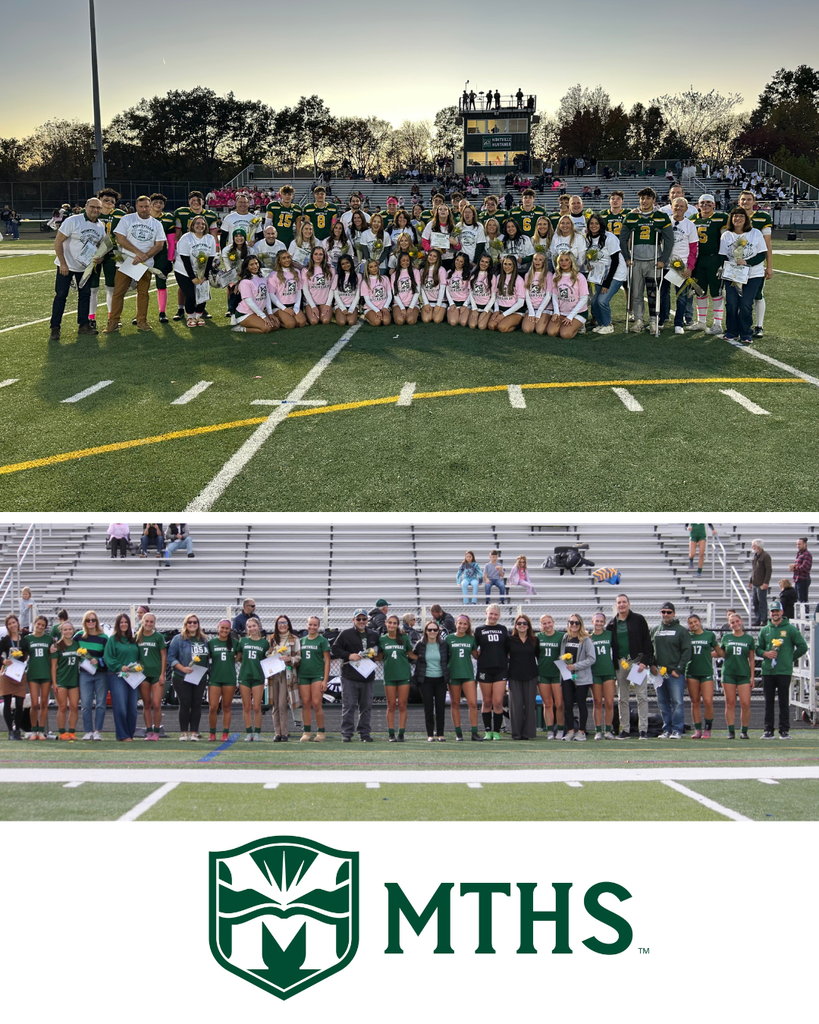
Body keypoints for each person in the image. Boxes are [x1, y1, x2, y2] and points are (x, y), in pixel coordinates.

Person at [106, 195, 166, 334]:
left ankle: (142, 321)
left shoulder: (156, 224)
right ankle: (113, 322)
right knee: (118, 292)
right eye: (141, 207)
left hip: (146, 263)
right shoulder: (127, 219)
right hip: (126, 261)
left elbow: (159, 245)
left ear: (150, 207)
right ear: (136, 207)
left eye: (146, 206)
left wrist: (144, 256)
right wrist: (138, 253)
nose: (144, 209)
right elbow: (120, 238)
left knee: (143, 293)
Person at [49, 197, 106, 341]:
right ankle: (55, 328)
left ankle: (83, 325)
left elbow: (100, 245)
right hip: (66, 266)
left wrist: (100, 257)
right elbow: (58, 241)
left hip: (85, 267)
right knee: (61, 296)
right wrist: (62, 263)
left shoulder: (100, 225)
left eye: (98, 208)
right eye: (93, 207)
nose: (95, 210)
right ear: (86, 207)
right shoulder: (73, 221)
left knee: (85, 295)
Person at [619, 187, 673, 334]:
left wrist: (663, 259)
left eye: (648, 198)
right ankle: (638, 320)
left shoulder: (661, 217)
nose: (644, 201)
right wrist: (627, 257)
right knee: (636, 293)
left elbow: (669, 240)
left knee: (653, 293)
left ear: (653, 200)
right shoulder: (631, 217)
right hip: (636, 260)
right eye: (642, 198)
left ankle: (653, 321)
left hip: (653, 261)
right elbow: (622, 239)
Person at [718, 206, 768, 346]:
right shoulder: (726, 235)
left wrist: (747, 262)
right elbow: (722, 256)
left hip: (753, 275)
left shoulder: (755, 233)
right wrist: (725, 269)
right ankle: (731, 331)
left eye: (741, 216)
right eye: (735, 216)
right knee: (732, 303)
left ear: (746, 219)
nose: (737, 219)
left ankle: (746, 332)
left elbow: (762, 254)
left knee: (746, 304)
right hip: (732, 275)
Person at [758, 600, 808, 739]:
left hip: (783, 671)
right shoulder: (765, 630)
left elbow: (803, 646)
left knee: (783, 701)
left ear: (782, 612)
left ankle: (784, 730)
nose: (775, 613)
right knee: (768, 702)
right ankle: (768, 730)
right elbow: (758, 648)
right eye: (772, 611)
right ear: (770, 613)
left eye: (777, 611)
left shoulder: (790, 629)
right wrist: (765, 654)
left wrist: (789, 658)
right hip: (768, 670)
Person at [607, 594, 653, 739]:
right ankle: (625, 729)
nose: (621, 605)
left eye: (624, 602)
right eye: (619, 602)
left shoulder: (638, 619)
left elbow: (647, 641)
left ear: (629, 604)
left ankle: (643, 730)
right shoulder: (612, 623)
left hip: (637, 662)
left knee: (641, 697)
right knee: (622, 698)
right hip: (621, 663)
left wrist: (644, 661)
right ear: (616, 605)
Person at [334, 610, 382, 742]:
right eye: (358, 619)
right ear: (353, 620)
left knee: (366, 706)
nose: (361, 621)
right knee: (349, 706)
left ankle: (364, 733)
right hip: (349, 676)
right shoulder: (345, 633)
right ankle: (347, 733)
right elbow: (335, 649)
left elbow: (379, 651)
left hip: (367, 676)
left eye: (364, 619)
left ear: (367, 620)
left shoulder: (373, 634)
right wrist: (349, 656)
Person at [650, 603, 691, 739]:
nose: (666, 615)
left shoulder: (681, 630)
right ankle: (666, 729)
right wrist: (652, 665)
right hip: (659, 673)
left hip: (674, 673)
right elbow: (649, 649)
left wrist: (679, 669)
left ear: (674, 613)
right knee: (662, 703)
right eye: (663, 612)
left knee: (677, 702)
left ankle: (677, 730)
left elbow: (687, 652)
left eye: (668, 612)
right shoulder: (655, 629)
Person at [690, 194, 730, 335]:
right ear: (698, 205)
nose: (705, 206)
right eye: (702, 203)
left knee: (716, 291)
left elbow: (726, 241)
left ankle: (717, 323)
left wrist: (724, 261)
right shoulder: (692, 219)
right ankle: (701, 322)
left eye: (708, 203)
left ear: (714, 205)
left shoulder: (721, 218)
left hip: (714, 258)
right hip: (698, 259)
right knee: (699, 291)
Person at [737, 189, 773, 339]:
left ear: (754, 202)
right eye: (743, 199)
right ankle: (740, 325)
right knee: (738, 295)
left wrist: (769, 266)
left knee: (757, 295)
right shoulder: (734, 216)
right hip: (738, 264)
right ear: (739, 202)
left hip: (755, 265)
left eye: (748, 199)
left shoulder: (762, 217)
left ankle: (759, 325)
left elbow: (767, 244)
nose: (745, 202)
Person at [168, 614, 210, 741]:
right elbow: (171, 657)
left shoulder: (204, 640)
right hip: (182, 677)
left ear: (198, 624)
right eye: (189, 622)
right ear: (185, 624)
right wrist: (182, 668)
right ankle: (184, 732)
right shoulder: (178, 639)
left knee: (196, 704)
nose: (192, 624)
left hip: (200, 677)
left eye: (195, 622)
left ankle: (194, 732)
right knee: (185, 703)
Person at [716, 613, 756, 739]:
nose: (735, 624)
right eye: (732, 622)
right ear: (729, 624)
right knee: (730, 703)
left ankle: (744, 731)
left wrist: (752, 676)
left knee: (745, 703)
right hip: (729, 674)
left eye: (737, 621)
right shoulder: (726, 638)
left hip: (744, 674)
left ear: (741, 621)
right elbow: (721, 653)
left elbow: (752, 659)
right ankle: (731, 731)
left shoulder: (748, 639)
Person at [174, 213, 217, 327]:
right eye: (197, 223)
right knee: (191, 295)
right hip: (183, 270)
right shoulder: (186, 238)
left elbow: (210, 259)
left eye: (203, 224)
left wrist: (205, 277)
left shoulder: (210, 238)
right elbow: (185, 260)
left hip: (202, 271)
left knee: (202, 294)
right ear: (192, 225)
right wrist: (192, 277)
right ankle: (190, 316)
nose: (200, 225)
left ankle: (198, 315)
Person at [585, 214, 625, 334]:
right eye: (591, 223)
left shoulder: (609, 237)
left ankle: (608, 325)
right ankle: (602, 324)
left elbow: (615, 261)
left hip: (615, 273)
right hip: (599, 274)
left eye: (596, 223)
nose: (594, 226)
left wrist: (607, 283)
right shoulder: (588, 238)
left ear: (601, 225)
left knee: (602, 301)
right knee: (594, 302)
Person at [445, 614, 483, 741]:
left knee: (472, 703)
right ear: (456, 623)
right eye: (460, 623)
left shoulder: (471, 639)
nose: (462, 626)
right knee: (455, 704)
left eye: (465, 624)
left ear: (468, 626)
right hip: (453, 675)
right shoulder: (449, 638)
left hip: (467, 674)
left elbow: (475, 656)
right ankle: (458, 733)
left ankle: (474, 732)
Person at [474, 604, 509, 741]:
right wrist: (477, 654)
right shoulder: (479, 630)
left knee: (498, 702)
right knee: (487, 701)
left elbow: (507, 648)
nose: (493, 616)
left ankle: (497, 731)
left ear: (499, 616)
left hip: (500, 669)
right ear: (486, 613)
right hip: (485, 669)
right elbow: (474, 649)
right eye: (491, 614)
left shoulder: (503, 629)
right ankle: (488, 731)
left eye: (496, 614)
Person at [103, 613, 140, 742]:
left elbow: (138, 656)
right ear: (117, 625)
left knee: (132, 709)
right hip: (117, 676)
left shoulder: (133, 639)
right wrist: (120, 667)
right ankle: (122, 735)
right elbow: (108, 657)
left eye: (126, 622)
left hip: (133, 677)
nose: (124, 624)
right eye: (121, 622)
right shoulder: (112, 639)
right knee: (121, 707)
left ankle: (130, 734)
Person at [559, 614, 596, 741]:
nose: (574, 625)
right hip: (567, 676)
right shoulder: (565, 638)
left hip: (582, 677)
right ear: (568, 624)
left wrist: (575, 666)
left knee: (581, 704)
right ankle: (570, 731)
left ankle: (581, 731)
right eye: (571, 622)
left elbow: (592, 658)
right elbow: (562, 655)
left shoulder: (586, 639)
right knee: (568, 704)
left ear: (581, 624)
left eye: (577, 623)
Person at [264, 615, 300, 743]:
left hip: (287, 674)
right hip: (273, 674)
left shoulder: (295, 639)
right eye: (280, 623)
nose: (283, 625)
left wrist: (290, 659)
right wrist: (271, 656)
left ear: (289, 624)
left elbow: (299, 659)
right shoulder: (271, 640)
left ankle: (284, 733)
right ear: (276, 625)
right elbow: (266, 655)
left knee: (282, 704)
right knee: (274, 704)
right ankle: (277, 732)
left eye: (285, 622)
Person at [380, 615, 415, 742]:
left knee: (402, 704)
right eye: (390, 623)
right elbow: (378, 657)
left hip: (403, 675)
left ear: (397, 624)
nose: (392, 625)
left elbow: (411, 654)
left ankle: (401, 733)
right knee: (391, 705)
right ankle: (391, 733)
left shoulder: (404, 638)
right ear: (386, 623)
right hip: (389, 675)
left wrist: (424, 655)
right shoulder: (382, 639)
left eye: (395, 623)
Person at [75, 610, 109, 741]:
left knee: (100, 703)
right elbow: (68, 647)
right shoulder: (78, 636)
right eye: (88, 620)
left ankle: (97, 731)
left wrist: (99, 661)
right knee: (86, 704)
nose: (91, 622)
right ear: (84, 622)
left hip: (101, 674)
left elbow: (108, 655)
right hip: (85, 674)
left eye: (93, 620)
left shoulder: (104, 637)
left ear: (97, 622)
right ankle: (88, 730)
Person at [413, 620, 449, 741]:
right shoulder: (420, 644)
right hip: (425, 680)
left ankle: (440, 734)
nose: (432, 632)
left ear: (438, 631)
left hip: (441, 680)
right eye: (430, 630)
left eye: (435, 629)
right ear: (426, 631)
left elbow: (447, 659)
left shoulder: (443, 644)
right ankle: (430, 734)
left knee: (440, 708)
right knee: (428, 708)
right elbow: (413, 657)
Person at [297, 616, 331, 742]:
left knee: (316, 704)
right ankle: (307, 732)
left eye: (315, 625)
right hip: (304, 675)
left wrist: (325, 680)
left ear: (318, 626)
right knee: (305, 703)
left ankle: (321, 732)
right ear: (307, 625)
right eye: (310, 624)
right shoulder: (301, 641)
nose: (312, 627)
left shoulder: (322, 641)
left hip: (317, 675)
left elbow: (327, 661)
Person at [507, 613, 540, 740]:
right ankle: (516, 734)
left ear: (528, 625)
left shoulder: (534, 640)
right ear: (515, 625)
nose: (521, 625)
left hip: (531, 675)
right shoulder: (510, 640)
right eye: (519, 623)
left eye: (524, 623)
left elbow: (538, 656)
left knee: (530, 705)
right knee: (516, 706)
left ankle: (529, 733)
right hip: (514, 675)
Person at [686, 614, 719, 739]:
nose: (694, 624)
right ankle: (697, 729)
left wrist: (724, 654)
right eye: (691, 623)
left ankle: (708, 728)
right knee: (695, 702)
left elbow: (718, 651)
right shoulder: (687, 637)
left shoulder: (709, 635)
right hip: (692, 672)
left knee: (708, 701)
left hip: (706, 672)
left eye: (695, 621)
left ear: (699, 621)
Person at [135, 612, 166, 741]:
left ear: (154, 623)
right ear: (142, 622)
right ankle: (148, 731)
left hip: (156, 674)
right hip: (143, 675)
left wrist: (162, 674)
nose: (148, 624)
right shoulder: (137, 636)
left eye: (151, 622)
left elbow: (163, 656)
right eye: (146, 621)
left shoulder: (158, 637)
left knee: (156, 703)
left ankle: (157, 731)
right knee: (146, 703)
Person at [50, 619, 82, 741]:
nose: (68, 631)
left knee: (74, 706)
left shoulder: (76, 644)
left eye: (70, 629)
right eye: (65, 629)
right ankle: (62, 732)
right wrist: (54, 683)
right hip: (61, 680)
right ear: (61, 631)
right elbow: (53, 666)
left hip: (74, 680)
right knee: (62, 707)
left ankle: (72, 732)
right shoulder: (57, 646)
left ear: (73, 630)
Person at [21, 616, 52, 739]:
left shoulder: (49, 639)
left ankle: (41, 731)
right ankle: (33, 730)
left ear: (45, 627)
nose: (40, 627)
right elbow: (24, 657)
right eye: (38, 624)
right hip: (33, 673)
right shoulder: (28, 638)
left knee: (44, 703)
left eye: (42, 625)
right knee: (34, 704)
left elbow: (51, 656)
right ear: (34, 624)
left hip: (45, 674)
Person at [547, 252, 588, 338]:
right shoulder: (556, 275)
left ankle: (579, 325)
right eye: (561, 260)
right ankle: (565, 326)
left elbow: (584, 298)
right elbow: (555, 295)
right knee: (551, 332)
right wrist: (556, 312)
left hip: (578, 313)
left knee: (565, 334)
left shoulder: (579, 277)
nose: (564, 262)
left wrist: (570, 316)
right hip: (562, 312)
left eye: (566, 260)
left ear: (571, 262)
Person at [207, 620, 236, 742]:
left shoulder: (234, 643)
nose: (224, 630)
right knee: (213, 707)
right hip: (215, 678)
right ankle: (212, 733)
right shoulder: (211, 643)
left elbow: (239, 656)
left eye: (227, 628)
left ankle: (225, 733)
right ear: (218, 628)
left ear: (230, 630)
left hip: (229, 678)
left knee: (226, 706)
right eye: (222, 628)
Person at [537, 614, 565, 739]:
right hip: (543, 673)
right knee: (547, 703)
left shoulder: (561, 636)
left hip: (557, 673)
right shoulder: (538, 637)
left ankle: (560, 728)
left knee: (559, 704)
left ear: (553, 622)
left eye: (549, 622)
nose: (547, 625)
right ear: (541, 625)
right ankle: (549, 730)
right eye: (544, 623)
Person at [589, 612, 617, 739]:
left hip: (608, 672)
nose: (599, 623)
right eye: (597, 621)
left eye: (601, 621)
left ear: (604, 623)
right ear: (592, 622)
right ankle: (598, 730)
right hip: (595, 673)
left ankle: (609, 730)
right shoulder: (588, 637)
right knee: (597, 702)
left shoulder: (609, 634)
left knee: (610, 702)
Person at [1, 615, 27, 739]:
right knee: (7, 702)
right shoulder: (5, 640)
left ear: (17, 623)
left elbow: (28, 653)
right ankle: (10, 730)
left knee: (20, 703)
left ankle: (17, 730)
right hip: (8, 673)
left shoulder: (24, 639)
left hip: (20, 673)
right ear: (7, 626)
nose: (12, 625)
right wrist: (3, 661)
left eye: (14, 622)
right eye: (9, 624)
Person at [267, 251, 306, 328]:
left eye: (288, 257)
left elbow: (299, 290)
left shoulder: (296, 272)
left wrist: (297, 306)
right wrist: (284, 309)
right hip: (280, 306)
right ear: (279, 260)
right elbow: (271, 294)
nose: (287, 260)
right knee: (291, 324)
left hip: (293, 305)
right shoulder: (274, 274)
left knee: (302, 322)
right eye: (284, 258)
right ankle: (278, 322)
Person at [302, 246, 334, 326]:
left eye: (321, 254)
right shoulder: (306, 270)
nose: (318, 257)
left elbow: (332, 288)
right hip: (310, 302)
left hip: (325, 301)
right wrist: (313, 306)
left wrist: (328, 304)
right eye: (316, 254)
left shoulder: (330, 268)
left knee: (325, 321)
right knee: (314, 322)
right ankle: (308, 312)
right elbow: (305, 289)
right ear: (312, 256)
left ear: (324, 256)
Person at [265, 184, 302, 248]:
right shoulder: (273, 206)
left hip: (289, 238)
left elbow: (298, 228)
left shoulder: (297, 209)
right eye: (285, 194)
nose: (287, 196)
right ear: (281, 195)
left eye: (289, 194)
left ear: (292, 196)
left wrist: (298, 240)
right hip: (275, 237)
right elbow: (268, 223)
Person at [391, 251, 421, 326]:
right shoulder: (394, 274)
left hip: (413, 303)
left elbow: (417, 291)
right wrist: (402, 308)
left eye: (407, 260)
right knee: (400, 321)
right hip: (398, 304)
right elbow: (395, 293)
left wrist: (411, 307)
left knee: (410, 321)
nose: (405, 262)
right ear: (399, 261)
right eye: (403, 260)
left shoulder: (416, 272)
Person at [468, 252, 496, 329]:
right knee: (472, 325)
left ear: (489, 264)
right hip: (475, 306)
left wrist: (485, 311)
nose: (484, 264)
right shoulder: (473, 275)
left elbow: (493, 296)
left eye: (486, 262)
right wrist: (474, 308)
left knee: (481, 326)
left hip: (486, 306)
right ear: (479, 262)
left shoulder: (492, 277)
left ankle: (488, 315)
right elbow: (470, 293)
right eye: (482, 261)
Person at [361, 259, 393, 326]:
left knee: (386, 322)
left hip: (383, 307)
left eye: (375, 266)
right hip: (371, 308)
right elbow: (367, 300)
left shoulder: (385, 278)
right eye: (371, 267)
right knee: (377, 322)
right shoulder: (365, 282)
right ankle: (366, 316)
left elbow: (389, 295)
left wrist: (385, 307)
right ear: (368, 269)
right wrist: (377, 311)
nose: (374, 268)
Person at [420, 249, 447, 323]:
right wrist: (426, 303)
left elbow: (442, 288)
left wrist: (438, 305)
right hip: (428, 301)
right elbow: (421, 288)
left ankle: (443, 310)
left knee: (437, 320)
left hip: (439, 301)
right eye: (430, 255)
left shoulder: (441, 270)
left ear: (438, 259)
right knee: (426, 320)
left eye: (434, 256)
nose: (431, 257)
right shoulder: (422, 270)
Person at [750, 538, 773, 627]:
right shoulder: (755, 556)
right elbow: (754, 570)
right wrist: (751, 581)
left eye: (754, 545)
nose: (752, 547)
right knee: (755, 602)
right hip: (755, 582)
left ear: (758, 547)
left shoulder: (765, 556)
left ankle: (763, 620)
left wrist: (766, 582)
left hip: (761, 583)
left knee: (762, 602)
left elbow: (768, 570)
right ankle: (757, 619)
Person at [445, 252, 472, 326]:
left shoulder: (468, 274)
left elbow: (471, 291)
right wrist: (451, 303)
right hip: (453, 302)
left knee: (463, 323)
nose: (458, 263)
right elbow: (447, 289)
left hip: (464, 302)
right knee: (453, 322)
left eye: (461, 261)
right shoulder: (449, 272)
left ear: (464, 263)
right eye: (457, 260)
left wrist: (465, 305)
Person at [332, 254, 360, 326]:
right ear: (340, 266)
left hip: (352, 304)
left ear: (351, 262)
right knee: (342, 322)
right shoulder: (337, 276)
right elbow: (335, 294)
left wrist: (352, 308)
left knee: (351, 322)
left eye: (347, 263)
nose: (345, 265)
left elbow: (358, 294)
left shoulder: (358, 276)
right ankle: (336, 312)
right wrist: (342, 308)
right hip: (340, 304)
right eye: (343, 264)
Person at [789, 537, 813, 607]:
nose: (798, 546)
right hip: (797, 579)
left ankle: (805, 613)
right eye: (797, 544)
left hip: (803, 579)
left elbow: (805, 567)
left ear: (805, 544)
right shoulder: (799, 554)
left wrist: (795, 567)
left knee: (803, 599)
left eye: (799, 544)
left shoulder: (807, 554)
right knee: (798, 599)